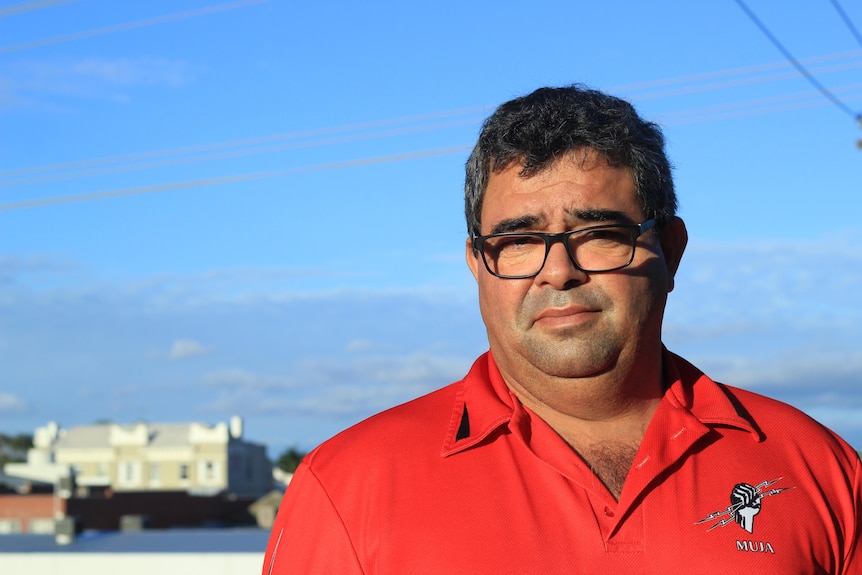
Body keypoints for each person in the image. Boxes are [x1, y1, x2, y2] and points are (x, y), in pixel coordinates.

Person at [262, 85, 861, 574]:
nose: (559, 272)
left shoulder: (817, 470)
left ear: (670, 250)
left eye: (598, 234)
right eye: (519, 241)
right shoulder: (349, 485)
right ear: (477, 265)